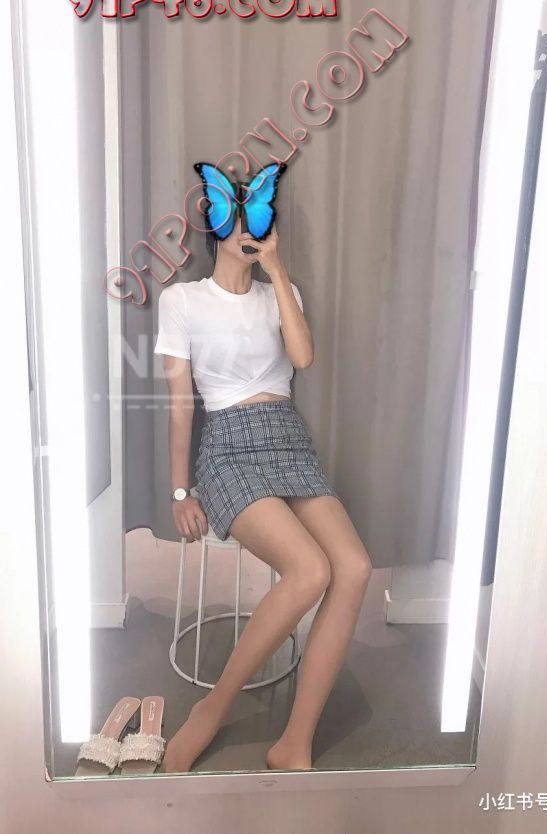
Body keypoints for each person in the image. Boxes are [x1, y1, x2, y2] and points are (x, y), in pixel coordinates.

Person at [153, 217, 372, 773]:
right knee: (310, 571)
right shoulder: (182, 300)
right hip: (227, 447)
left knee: (353, 568)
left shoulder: (281, 291)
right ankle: (211, 710)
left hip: (288, 439)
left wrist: (275, 271)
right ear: (216, 229)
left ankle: (294, 741)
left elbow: (302, 358)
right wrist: (180, 490)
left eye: (260, 219)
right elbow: (180, 404)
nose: (251, 230)